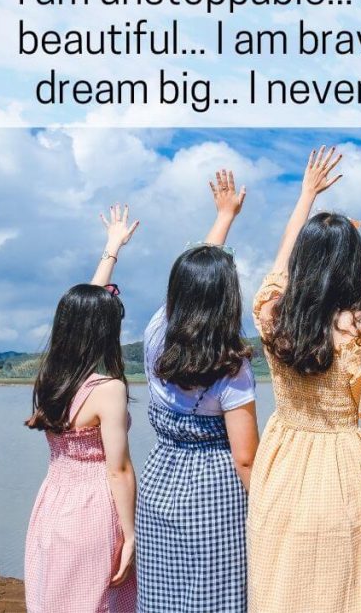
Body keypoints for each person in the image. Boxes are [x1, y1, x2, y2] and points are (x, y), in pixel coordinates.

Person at [248, 146, 361, 613]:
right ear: (354, 266)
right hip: (343, 470)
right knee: (351, 593)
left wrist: (306, 197)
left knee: (283, 591)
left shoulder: (272, 316)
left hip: (280, 466)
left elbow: (280, 265)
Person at [135, 170, 259, 613]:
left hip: (159, 483)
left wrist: (223, 217)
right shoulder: (233, 366)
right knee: (219, 597)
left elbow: (192, 283)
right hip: (217, 495)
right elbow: (245, 458)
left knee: (162, 596)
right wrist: (273, 507)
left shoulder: (156, 334)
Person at [24, 204, 140, 613]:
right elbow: (118, 469)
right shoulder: (107, 390)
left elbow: (84, 311)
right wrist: (130, 535)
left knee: (56, 598)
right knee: (96, 601)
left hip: (53, 502)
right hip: (94, 508)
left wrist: (111, 249)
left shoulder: (53, 377)